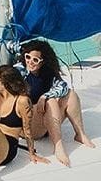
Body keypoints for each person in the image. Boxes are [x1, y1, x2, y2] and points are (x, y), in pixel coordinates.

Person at [18, 38, 95, 167]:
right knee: (52, 101)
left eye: (35, 60)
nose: (30, 62)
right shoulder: (21, 71)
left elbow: (63, 87)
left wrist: (44, 96)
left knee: (71, 95)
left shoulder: (48, 74)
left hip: (46, 121)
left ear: (43, 62)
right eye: (28, 57)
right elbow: (7, 78)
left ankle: (80, 134)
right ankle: (58, 146)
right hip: (30, 126)